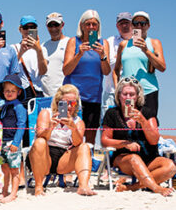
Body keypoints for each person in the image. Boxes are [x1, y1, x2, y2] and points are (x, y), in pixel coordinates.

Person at [100, 76, 175, 196]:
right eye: (125, 94)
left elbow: (154, 140)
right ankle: (156, 188)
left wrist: (143, 121)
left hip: (149, 159)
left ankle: (131, 187)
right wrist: (125, 144)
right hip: (124, 159)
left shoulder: (147, 113)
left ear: (137, 96)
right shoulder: (112, 113)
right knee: (134, 158)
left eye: (132, 94)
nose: (128, 98)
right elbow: (105, 140)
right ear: (119, 95)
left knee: (170, 166)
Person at [29, 84, 96, 197]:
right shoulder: (46, 113)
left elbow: (77, 143)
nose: (69, 107)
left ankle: (83, 186)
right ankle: (39, 187)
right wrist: (50, 126)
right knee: (40, 142)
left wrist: (72, 127)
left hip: (64, 159)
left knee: (84, 147)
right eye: (65, 103)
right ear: (58, 102)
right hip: (43, 157)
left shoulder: (78, 121)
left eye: (73, 103)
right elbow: (40, 136)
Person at [62, 10, 111, 145]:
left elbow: (106, 71)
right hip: (72, 96)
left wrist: (102, 55)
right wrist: (79, 54)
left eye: (94, 24)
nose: (91, 27)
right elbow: (66, 70)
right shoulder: (73, 41)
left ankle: (87, 163)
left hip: (93, 97)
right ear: (81, 26)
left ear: (98, 27)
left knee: (90, 137)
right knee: (65, 132)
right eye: (87, 24)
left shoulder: (103, 43)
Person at [114, 11, 166, 117]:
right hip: (128, 94)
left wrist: (146, 50)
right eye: (135, 23)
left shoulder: (154, 43)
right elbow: (116, 70)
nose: (139, 26)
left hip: (148, 91)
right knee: (128, 125)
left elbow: (162, 67)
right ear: (132, 25)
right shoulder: (124, 45)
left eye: (142, 23)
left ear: (148, 25)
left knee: (148, 127)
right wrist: (118, 90)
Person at [0, 75, 27, 202]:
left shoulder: (19, 107)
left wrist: (16, 142)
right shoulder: (2, 106)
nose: (9, 93)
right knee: (4, 168)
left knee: (14, 169)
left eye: (13, 91)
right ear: (3, 92)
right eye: (7, 90)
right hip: (2, 141)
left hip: (12, 142)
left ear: (19, 92)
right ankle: (4, 190)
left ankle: (13, 193)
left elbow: (21, 125)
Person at [102, 13, 134, 110]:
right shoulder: (110, 41)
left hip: (132, 94)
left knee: (131, 124)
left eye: (127, 22)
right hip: (111, 93)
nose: (124, 26)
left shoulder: (139, 41)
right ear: (117, 26)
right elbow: (107, 63)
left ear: (132, 24)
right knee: (108, 124)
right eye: (121, 23)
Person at [12, 15, 47, 101]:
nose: (28, 30)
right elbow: (11, 70)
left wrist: (38, 50)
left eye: (32, 27)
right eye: (25, 27)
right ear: (20, 29)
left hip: (38, 91)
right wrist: (21, 52)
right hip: (21, 91)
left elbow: (43, 71)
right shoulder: (14, 48)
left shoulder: (43, 49)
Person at [40, 12, 69, 96]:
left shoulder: (70, 43)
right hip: (46, 95)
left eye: (56, 25)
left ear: (62, 25)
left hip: (64, 94)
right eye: (50, 25)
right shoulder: (43, 46)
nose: (53, 28)